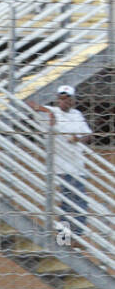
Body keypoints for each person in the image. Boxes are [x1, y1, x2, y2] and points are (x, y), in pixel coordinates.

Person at [37, 84, 92, 237]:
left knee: (80, 202)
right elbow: (30, 104)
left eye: (68, 99)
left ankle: (77, 236)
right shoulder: (51, 112)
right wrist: (49, 113)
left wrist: (78, 138)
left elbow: (87, 134)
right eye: (62, 98)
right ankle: (65, 238)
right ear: (57, 99)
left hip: (77, 166)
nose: (65, 102)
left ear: (73, 100)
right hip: (60, 167)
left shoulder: (77, 114)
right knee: (67, 204)